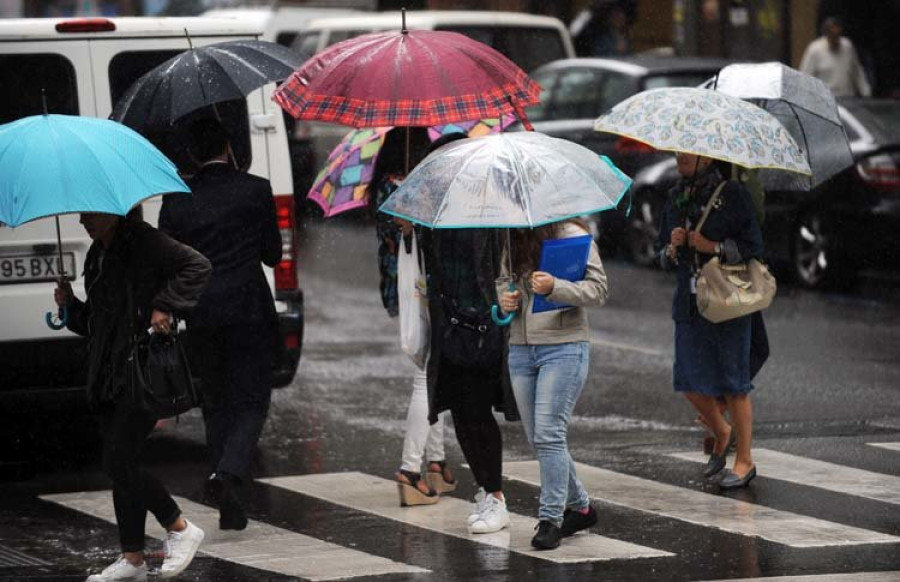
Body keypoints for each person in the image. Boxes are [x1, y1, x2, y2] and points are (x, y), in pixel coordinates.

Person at [54, 209, 211, 581]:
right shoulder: (98, 253)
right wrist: (69, 305)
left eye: (90, 213)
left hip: (139, 370)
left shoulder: (144, 240)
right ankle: (133, 559)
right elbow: (95, 321)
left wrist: (165, 304)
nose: (82, 221)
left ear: (113, 210)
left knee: (117, 460)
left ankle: (180, 527)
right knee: (123, 465)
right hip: (107, 373)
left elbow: (198, 266)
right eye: (81, 213)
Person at [158, 118, 281, 531]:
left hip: (201, 314)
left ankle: (229, 504)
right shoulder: (255, 190)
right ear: (229, 145)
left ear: (191, 155)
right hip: (248, 310)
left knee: (216, 404)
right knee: (251, 402)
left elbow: (169, 265)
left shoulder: (176, 201)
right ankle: (226, 475)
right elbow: (272, 255)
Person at [417, 132, 519, 533]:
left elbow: (500, 265)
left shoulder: (489, 210)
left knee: (477, 411)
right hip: (450, 327)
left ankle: (495, 494)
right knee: (460, 413)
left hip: (484, 325)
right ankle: (487, 490)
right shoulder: (434, 214)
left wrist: (500, 301)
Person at [655, 153, 767, 490]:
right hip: (689, 303)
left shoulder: (731, 195)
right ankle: (722, 430)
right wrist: (672, 250)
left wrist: (713, 246)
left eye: (688, 152)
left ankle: (744, 460)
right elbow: (660, 256)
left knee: (734, 383)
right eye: (677, 151)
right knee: (687, 380)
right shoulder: (675, 197)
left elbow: (754, 247)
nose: (681, 156)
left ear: (707, 158)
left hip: (728, 301)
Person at [496, 219, 608, 550]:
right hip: (520, 349)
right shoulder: (512, 237)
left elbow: (598, 289)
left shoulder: (572, 236)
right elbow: (502, 280)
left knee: (549, 435)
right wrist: (505, 298)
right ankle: (583, 508)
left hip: (563, 348)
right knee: (539, 438)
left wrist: (555, 287)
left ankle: (551, 519)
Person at [369, 127, 458, 506]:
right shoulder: (414, 188)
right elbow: (420, 238)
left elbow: (390, 240)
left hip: (405, 288)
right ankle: (410, 468)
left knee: (432, 370)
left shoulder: (386, 186)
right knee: (428, 374)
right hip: (426, 289)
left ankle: (436, 462)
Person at [799, 17, 871, 97]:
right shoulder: (815, 49)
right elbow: (805, 76)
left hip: (848, 97)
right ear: (826, 34)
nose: (835, 39)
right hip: (826, 99)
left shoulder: (848, 47)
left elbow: (857, 72)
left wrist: (866, 92)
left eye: (837, 35)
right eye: (832, 35)